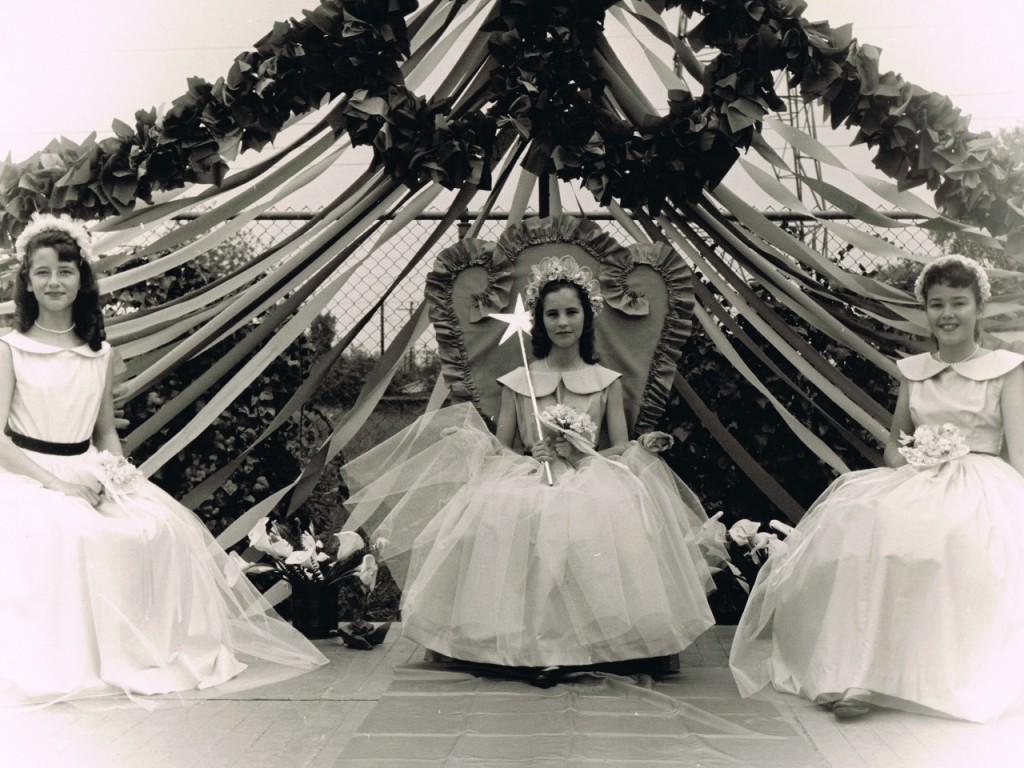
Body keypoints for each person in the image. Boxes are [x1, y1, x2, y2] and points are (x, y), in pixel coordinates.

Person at [341, 255, 725, 684]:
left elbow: (618, 446)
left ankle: (597, 646)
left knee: (597, 517)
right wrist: (533, 453)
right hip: (530, 473)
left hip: (589, 473)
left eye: (571, 312)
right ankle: (530, 650)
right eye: (553, 314)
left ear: (586, 317)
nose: (563, 322)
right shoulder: (518, 381)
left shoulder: (606, 381)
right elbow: (502, 449)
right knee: (506, 515)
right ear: (539, 322)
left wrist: (582, 452)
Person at [0, 214, 327, 707]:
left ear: (82, 279)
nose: (54, 282)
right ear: (26, 281)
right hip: (27, 473)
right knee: (73, 533)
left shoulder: (98, 353)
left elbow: (105, 431)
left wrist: (116, 476)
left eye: (65, 271)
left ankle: (139, 653)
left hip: (85, 465)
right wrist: (59, 486)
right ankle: (75, 662)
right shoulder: (11, 349)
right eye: (42, 272)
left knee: (158, 529)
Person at [729, 254, 1024, 723]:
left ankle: (935, 676)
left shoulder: (1007, 369)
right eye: (936, 304)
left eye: (959, 304)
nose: (947, 314)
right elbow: (893, 445)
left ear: (979, 309)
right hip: (921, 477)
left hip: (983, 482)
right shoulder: (914, 372)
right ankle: (859, 674)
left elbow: (1019, 451)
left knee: (954, 541)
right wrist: (919, 459)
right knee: (868, 534)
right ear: (925, 310)